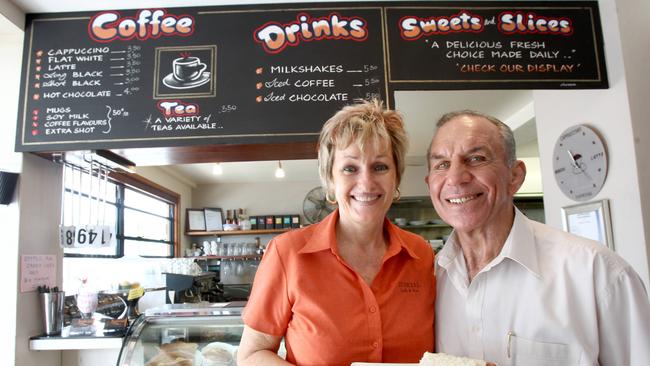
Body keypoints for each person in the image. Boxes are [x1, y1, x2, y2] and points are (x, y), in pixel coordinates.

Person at [425, 110, 650, 365]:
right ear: (429, 183)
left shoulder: (598, 274)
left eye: (476, 158)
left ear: (515, 176)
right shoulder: (429, 281)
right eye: (441, 164)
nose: (455, 178)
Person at [238, 100, 435, 366]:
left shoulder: (421, 254)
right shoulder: (288, 253)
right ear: (330, 179)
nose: (366, 183)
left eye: (380, 167)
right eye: (350, 168)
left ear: (395, 178)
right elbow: (252, 354)